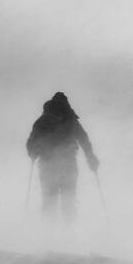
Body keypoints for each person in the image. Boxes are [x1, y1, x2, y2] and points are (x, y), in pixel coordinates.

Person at [25, 92, 98, 225]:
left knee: (49, 199)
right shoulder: (71, 121)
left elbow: (31, 142)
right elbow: (84, 140)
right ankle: (67, 233)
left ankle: (49, 232)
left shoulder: (42, 121)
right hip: (68, 164)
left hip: (47, 165)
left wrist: (32, 153)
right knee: (68, 200)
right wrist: (91, 159)